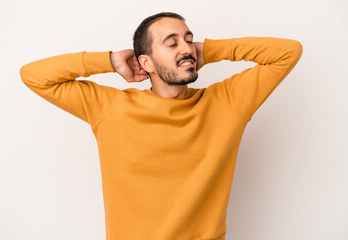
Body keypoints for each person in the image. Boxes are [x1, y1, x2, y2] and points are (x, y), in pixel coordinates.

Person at [20, 11, 303, 240]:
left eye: (189, 40)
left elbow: (288, 52)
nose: (187, 48)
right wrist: (109, 61)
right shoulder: (111, 108)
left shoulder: (226, 103)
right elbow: (34, 76)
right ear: (146, 62)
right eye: (172, 43)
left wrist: (213, 51)